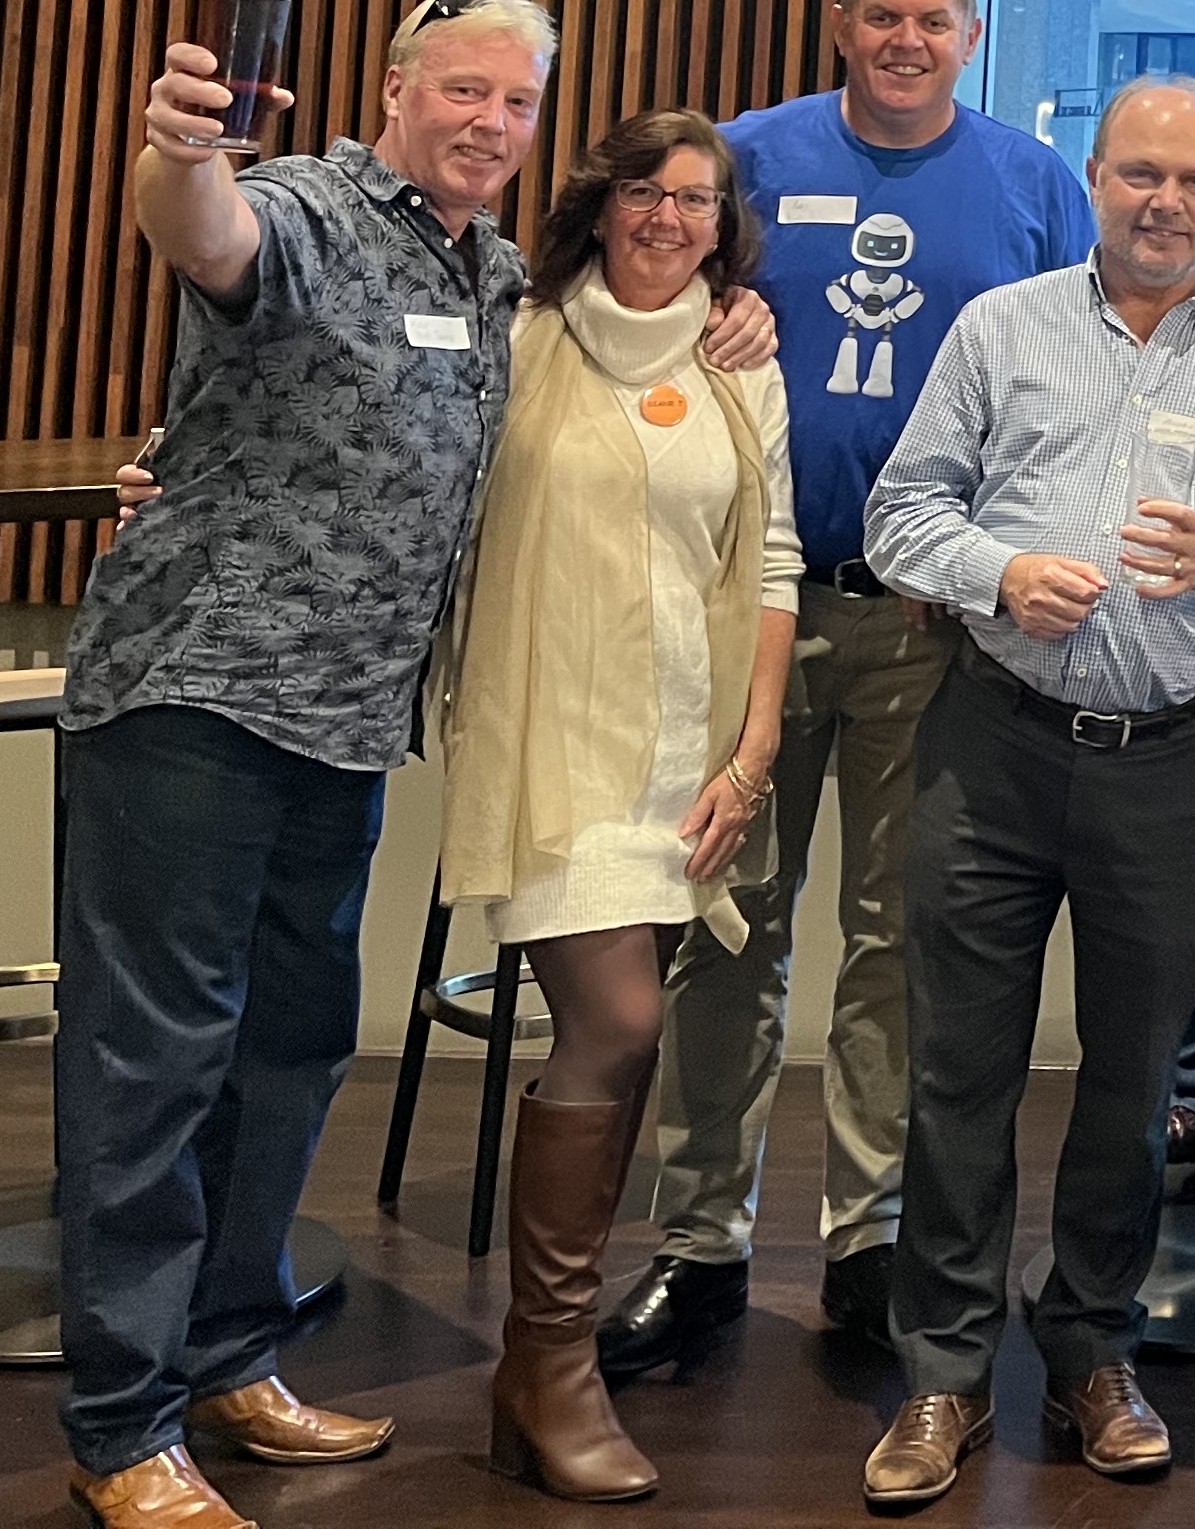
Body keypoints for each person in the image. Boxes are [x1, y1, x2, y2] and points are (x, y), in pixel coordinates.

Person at [58, 0, 620, 1529]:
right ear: (393, 87)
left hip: (349, 725)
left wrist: (737, 312)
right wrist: (183, 148)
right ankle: (120, 1427)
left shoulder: (496, 274)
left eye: (517, 101)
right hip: (195, 702)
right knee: (152, 1066)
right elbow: (206, 234)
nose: (490, 122)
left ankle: (229, 1356)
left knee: (291, 1052)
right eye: (462, 89)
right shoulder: (308, 204)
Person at [852, 78, 1195, 1513]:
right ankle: (943, 1370)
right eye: (1140, 174)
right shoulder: (998, 329)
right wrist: (998, 571)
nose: (1165, 202)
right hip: (994, 745)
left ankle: (1093, 1351)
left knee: (1133, 1086)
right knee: (960, 1075)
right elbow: (900, 514)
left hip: (1177, 761)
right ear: (1094, 177)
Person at [609, 0, 1093, 1376]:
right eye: (881, 16)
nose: (905, 42)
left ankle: (866, 1238)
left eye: (933, 22)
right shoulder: (745, 158)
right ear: (839, 23)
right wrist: (710, 309)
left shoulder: (1031, 185)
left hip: (926, 625)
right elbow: (640, 303)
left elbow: (1068, 395)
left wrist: (986, 560)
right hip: (748, 609)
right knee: (726, 929)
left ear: (971, 36)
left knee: (896, 939)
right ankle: (700, 1243)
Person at [438, 111, 798, 1501]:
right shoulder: (519, 336)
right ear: (598, 205)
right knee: (622, 1022)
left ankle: (538, 1377)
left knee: (626, 1042)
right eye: (644, 190)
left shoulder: (739, 358)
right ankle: (551, 1361)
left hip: (682, 748)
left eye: (696, 201)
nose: (667, 218)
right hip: (553, 741)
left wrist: (752, 750)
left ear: (723, 228)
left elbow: (772, 557)